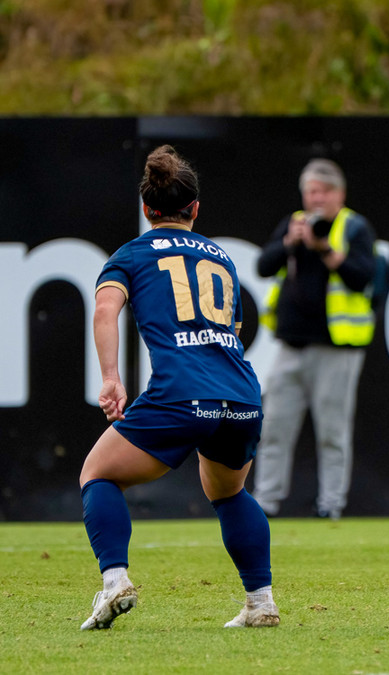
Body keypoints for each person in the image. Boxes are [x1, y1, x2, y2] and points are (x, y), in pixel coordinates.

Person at [79, 145, 279, 629]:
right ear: (195, 208)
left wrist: (111, 378)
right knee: (229, 492)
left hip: (181, 393)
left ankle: (114, 581)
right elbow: (232, 330)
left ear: (147, 209)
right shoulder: (221, 257)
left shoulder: (132, 254)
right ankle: (261, 602)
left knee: (97, 475)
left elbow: (105, 310)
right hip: (240, 394)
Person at [253, 159, 376, 520]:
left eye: (324, 191)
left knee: (332, 431)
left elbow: (362, 278)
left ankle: (330, 504)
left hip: (336, 348)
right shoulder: (294, 223)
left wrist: (323, 249)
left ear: (340, 194)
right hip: (290, 345)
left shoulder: (354, 227)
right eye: (311, 192)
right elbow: (263, 266)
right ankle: (265, 501)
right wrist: (289, 242)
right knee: (274, 426)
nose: (317, 199)